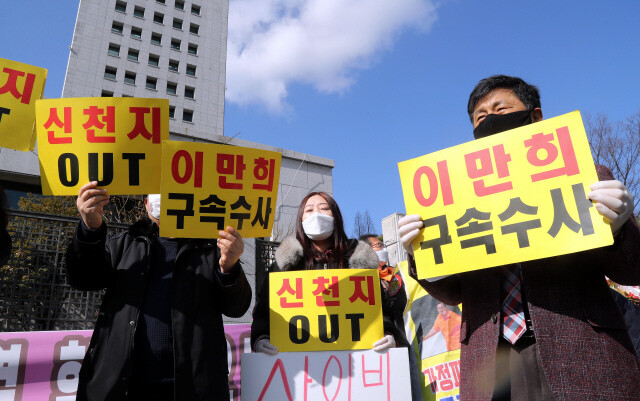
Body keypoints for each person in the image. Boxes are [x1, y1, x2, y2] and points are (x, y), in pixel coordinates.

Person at [397, 75, 640, 400]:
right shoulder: (454, 200)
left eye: (500, 109)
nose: (489, 120)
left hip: (580, 349)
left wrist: (619, 227)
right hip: (491, 361)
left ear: (535, 116)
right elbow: (452, 293)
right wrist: (421, 252)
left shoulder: (587, 177)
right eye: (480, 117)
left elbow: (631, 271)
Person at [66, 182, 252, 401]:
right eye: (159, 189)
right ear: (146, 204)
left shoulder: (212, 251)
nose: (167, 196)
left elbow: (237, 307)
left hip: (194, 387)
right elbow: (83, 279)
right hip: (121, 384)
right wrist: (90, 229)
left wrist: (229, 267)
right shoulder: (123, 245)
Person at [251, 192, 403, 355]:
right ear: (300, 220)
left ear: (336, 216)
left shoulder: (359, 261)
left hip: (358, 361)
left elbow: (382, 308)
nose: (316, 214)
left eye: (324, 208)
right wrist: (261, 337)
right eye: (309, 210)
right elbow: (263, 311)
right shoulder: (283, 266)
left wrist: (388, 332)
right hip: (299, 363)